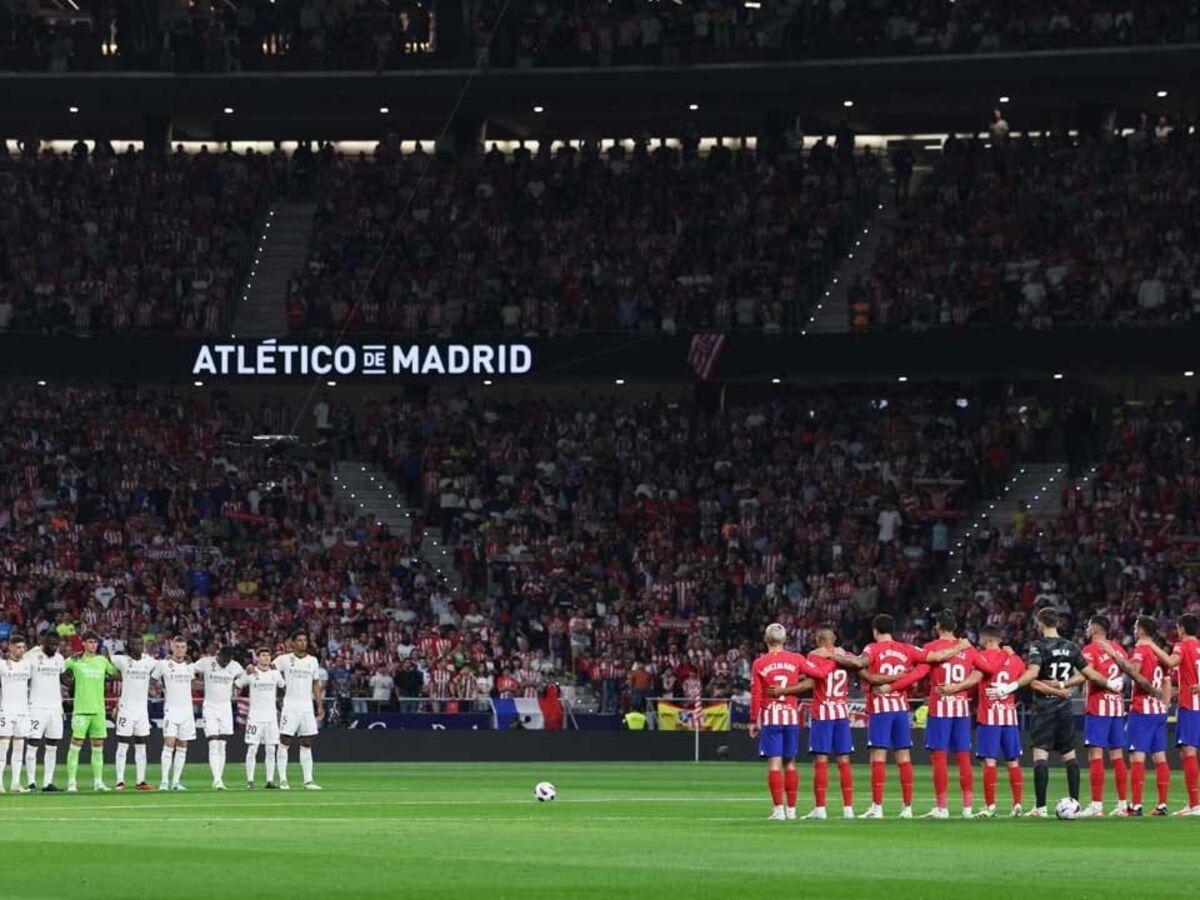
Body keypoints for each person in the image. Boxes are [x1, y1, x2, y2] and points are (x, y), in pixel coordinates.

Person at [992, 608, 1129, 817]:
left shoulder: (1038, 646)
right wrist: (1110, 682)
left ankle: (1041, 808)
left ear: (1040, 623)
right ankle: (1074, 804)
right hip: (1064, 706)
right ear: (1058, 623)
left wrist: (1008, 687)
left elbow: (1033, 674)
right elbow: (1089, 673)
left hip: (1044, 707)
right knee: (1069, 755)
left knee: (1040, 754)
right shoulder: (1071, 646)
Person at [818, 614, 939, 819]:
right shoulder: (906, 648)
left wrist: (835, 656)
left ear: (875, 631)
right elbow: (929, 661)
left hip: (881, 708)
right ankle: (907, 808)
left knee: (878, 756)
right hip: (901, 708)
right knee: (903, 757)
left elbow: (860, 663)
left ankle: (877, 807)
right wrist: (905, 679)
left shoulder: (872, 649)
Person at [767, 624, 854, 819]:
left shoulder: (814, 657)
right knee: (844, 760)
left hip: (823, 713)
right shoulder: (845, 656)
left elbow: (811, 682)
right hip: (842, 712)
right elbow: (858, 664)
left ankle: (821, 809)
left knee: (821, 761)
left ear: (818, 640)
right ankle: (848, 809)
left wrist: (785, 690)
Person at [938, 626, 1026, 817]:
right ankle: (1017, 804)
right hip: (1010, 717)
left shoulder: (982, 657)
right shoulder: (1015, 658)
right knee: (1013, 762)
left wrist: (956, 688)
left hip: (990, 717)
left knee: (990, 762)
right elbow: (1023, 678)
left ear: (987, 640)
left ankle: (990, 806)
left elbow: (976, 677)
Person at [748, 623, 833, 820]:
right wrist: (833, 660)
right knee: (791, 764)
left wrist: (753, 720)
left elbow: (756, 693)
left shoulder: (759, 663)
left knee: (775, 764)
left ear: (766, 640)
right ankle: (792, 811)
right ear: (785, 640)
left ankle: (779, 811)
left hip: (771, 717)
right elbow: (819, 675)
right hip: (791, 718)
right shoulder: (796, 658)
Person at [1071, 615, 1151, 816]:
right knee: (1117, 756)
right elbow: (1128, 672)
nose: (1086, 629)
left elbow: (1086, 674)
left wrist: (1064, 684)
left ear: (1096, 629)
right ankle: (1123, 804)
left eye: (1088, 626)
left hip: (1098, 708)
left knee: (1095, 755)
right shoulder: (1119, 649)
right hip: (1117, 708)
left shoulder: (1090, 650)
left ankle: (1096, 806)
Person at [1105, 616, 1172, 815]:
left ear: (1142, 630)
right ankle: (1161, 805)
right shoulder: (1161, 653)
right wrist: (1165, 703)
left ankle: (1135, 806)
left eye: (1135, 627)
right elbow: (1167, 681)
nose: (1133, 631)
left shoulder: (1142, 651)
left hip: (1142, 711)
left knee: (1137, 757)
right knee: (1160, 758)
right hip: (1159, 712)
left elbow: (1133, 672)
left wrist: (1116, 657)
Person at [1138, 612, 1200, 815]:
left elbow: (1172, 662)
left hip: (1190, 707)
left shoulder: (1182, 646)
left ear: (1181, 628)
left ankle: (1194, 804)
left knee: (1188, 752)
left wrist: (1151, 645)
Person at [62, 632, 119, 793]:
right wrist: (66, 682)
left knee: (98, 746)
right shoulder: (75, 660)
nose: (93, 645)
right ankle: (72, 782)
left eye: (95, 642)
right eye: (90, 642)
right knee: (76, 745)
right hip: (81, 710)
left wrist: (112, 659)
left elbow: (115, 674)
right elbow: (59, 667)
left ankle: (98, 782)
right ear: (84, 644)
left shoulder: (102, 661)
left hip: (99, 710)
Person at [275, 631, 324, 790]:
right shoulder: (285, 659)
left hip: (307, 707)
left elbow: (315, 684)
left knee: (307, 742)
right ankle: (282, 779)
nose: (303, 643)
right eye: (300, 640)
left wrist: (319, 705)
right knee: (285, 741)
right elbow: (268, 667)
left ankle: (308, 780)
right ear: (293, 643)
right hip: (290, 706)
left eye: (305, 640)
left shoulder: (313, 661)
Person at [110, 635, 158, 791]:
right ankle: (119, 781)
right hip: (126, 709)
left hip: (142, 711)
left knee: (141, 745)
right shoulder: (121, 660)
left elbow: (163, 665)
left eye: (140, 643)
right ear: (129, 646)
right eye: (135, 643)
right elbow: (103, 658)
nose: (138, 646)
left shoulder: (148, 661)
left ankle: (140, 781)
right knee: (123, 744)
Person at [195, 645, 246, 791]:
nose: (225, 663)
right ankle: (217, 780)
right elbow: (190, 670)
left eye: (228, 660)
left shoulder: (235, 666)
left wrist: (237, 685)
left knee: (222, 744)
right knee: (213, 743)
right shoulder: (206, 662)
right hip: (210, 706)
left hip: (225, 707)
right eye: (224, 660)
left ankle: (219, 779)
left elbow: (244, 675)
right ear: (219, 655)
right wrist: (197, 683)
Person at [152, 636, 198, 792]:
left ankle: (176, 782)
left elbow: (192, 683)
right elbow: (152, 680)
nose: (180, 650)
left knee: (183, 746)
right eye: (177, 647)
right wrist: (156, 690)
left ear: (186, 649)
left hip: (187, 711)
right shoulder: (164, 664)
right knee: (169, 743)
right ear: (172, 647)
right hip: (171, 710)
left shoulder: (189, 666)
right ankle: (164, 781)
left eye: (182, 647)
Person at [236, 648, 286, 789]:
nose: (265, 657)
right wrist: (245, 673)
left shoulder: (275, 674)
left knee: (271, 750)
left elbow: (284, 687)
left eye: (268, 655)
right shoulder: (251, 673)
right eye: (262, 655)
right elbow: (237, 685)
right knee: (252, 749)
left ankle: (269, 781)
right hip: (255, 718)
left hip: (271, 718)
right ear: (257, 658)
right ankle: (250, 781)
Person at [24, 631, 66, 791]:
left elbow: (62, 678)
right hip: (36, 707)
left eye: (56, 644)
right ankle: (31, 782)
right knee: (33, 744)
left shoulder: (59, 659)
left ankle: (48, 782)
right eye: (51, 644)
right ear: (43, 641)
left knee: (52, 745)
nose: (54, 647)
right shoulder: (32, 656)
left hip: (55, 708)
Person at [0, 634, 33, 793]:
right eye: (18, 647)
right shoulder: (2, 665)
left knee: (19, 747)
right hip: (5, 710)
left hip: (23, 711)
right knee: (3, 747)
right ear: (10, 647)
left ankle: (15, 783)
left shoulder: (28, 664)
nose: (21, 650)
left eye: (23, 647)